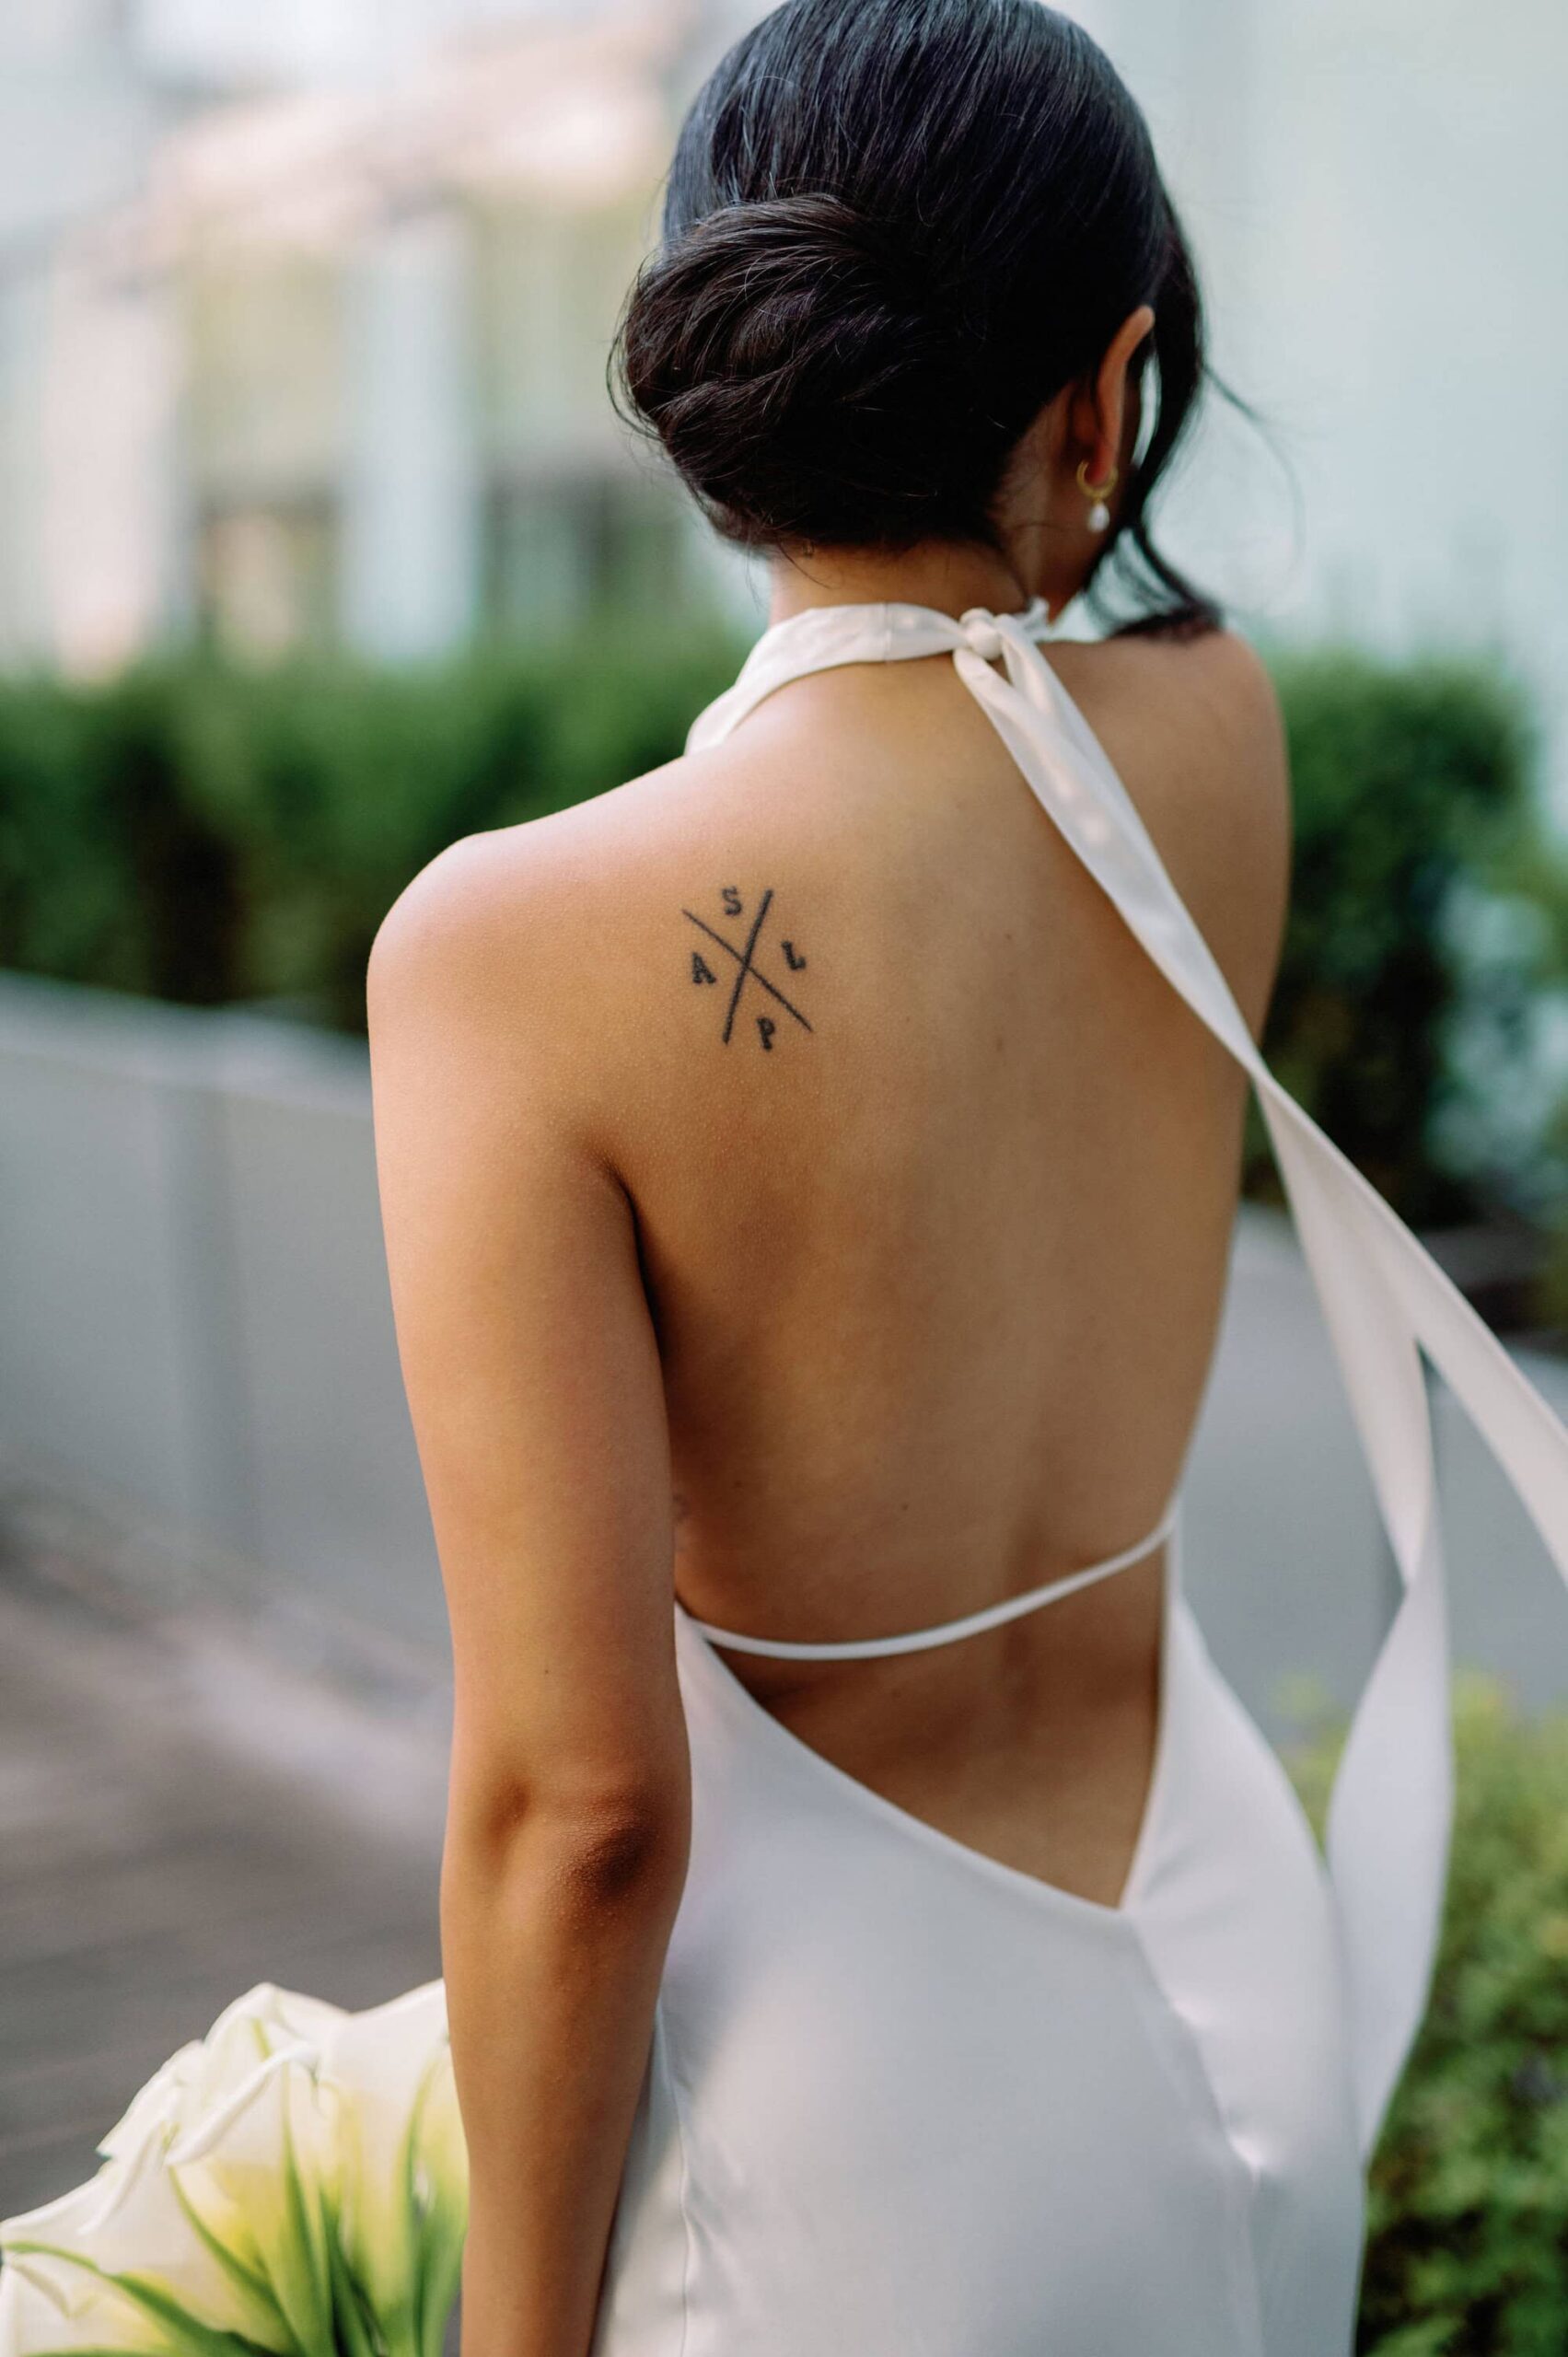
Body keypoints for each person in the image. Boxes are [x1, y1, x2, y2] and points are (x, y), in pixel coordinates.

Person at [365, 5, 1568, 2353]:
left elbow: (580, 1814)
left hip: (852, 2156)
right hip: (1237, 1948)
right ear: (1105, 396)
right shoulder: (1222, 738)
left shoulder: (513, 950)